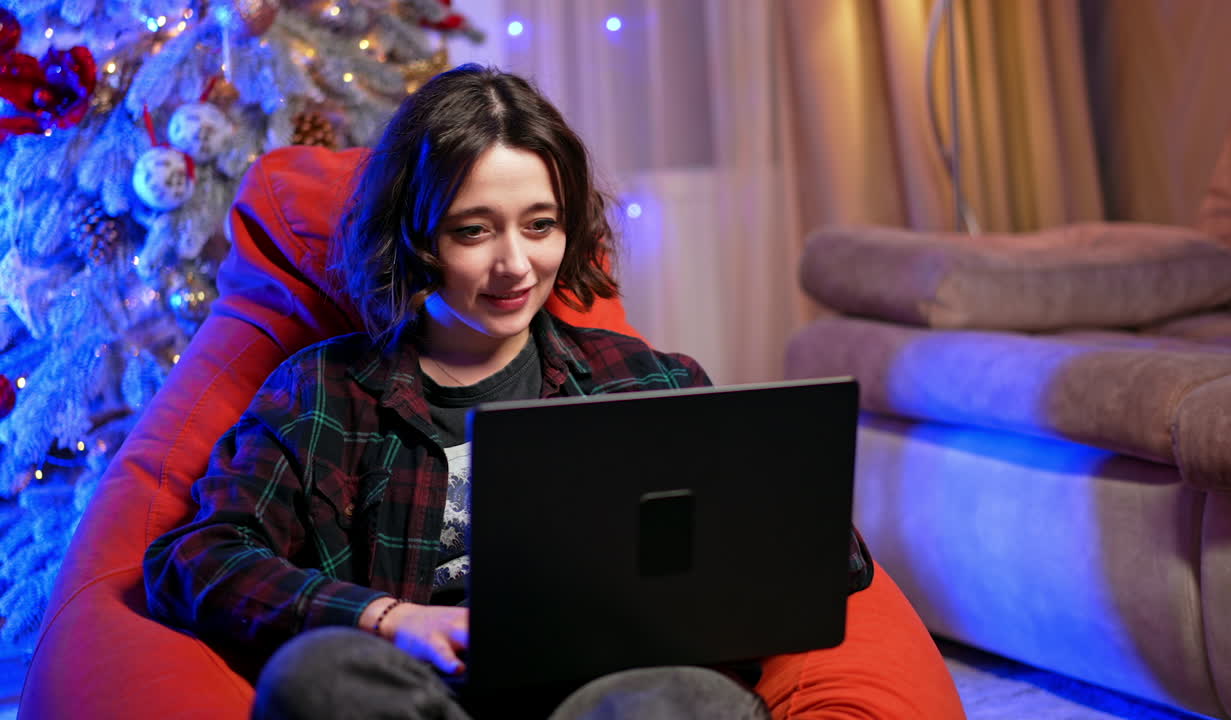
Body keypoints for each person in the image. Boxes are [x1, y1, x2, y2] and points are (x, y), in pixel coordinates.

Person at [142, 64, 777, 719]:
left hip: (603, 700)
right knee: (317, 678)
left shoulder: (649, 381)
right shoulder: (325, 390)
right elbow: (195, 560)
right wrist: (389, 618)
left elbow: (771, 569)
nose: (516, 265)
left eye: (540, 225)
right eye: (474, 230)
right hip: (425, 700)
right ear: (414, 237)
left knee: (693, 698)